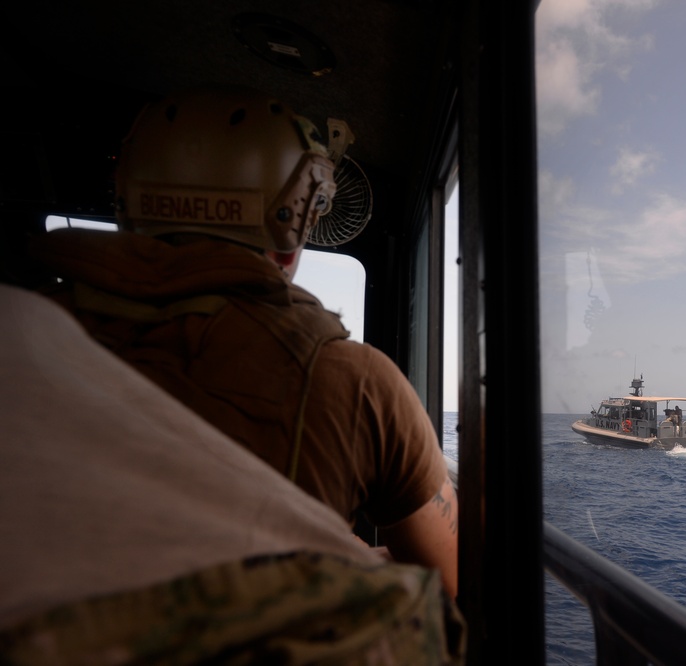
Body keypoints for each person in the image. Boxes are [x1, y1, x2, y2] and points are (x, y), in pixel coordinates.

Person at [28, 87, 458, 599]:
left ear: (128, 200)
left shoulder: (23, 333)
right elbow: (443, 579)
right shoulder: (357, 383)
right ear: (293, 215)